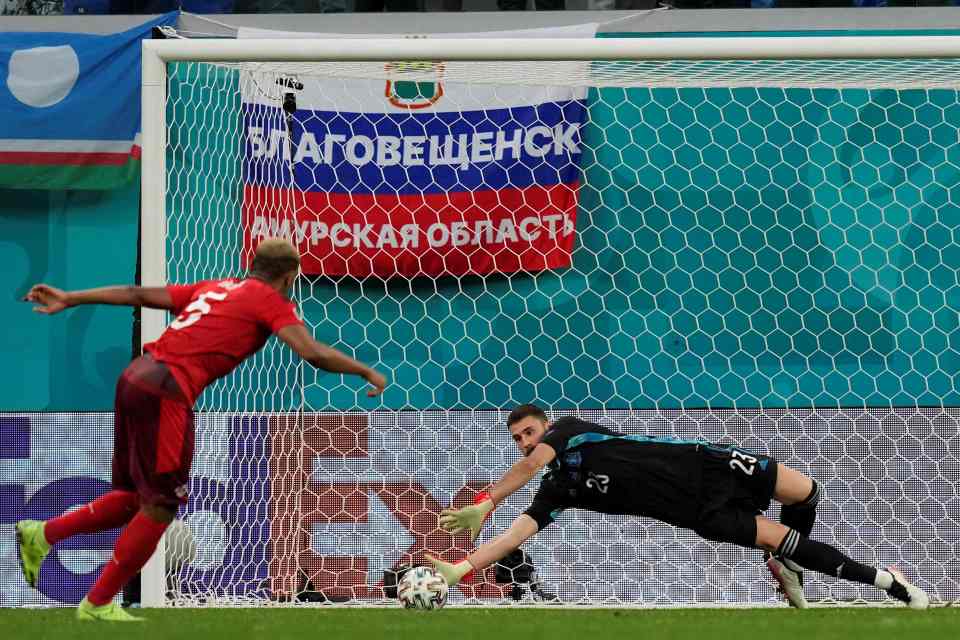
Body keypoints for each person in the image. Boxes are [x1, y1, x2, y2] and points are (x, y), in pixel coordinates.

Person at [15, 238, 387, 622]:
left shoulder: (216, 287)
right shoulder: (269, 300)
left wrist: (73, 297)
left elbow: (135, 293)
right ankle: (97, 604)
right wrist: (365, 370)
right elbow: (312, 352)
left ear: (253, 264)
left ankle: (42, 534)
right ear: (290, 276)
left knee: (132, 497)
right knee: (161, 504)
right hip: (166, 390)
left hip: (136, 378)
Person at [426, 403, 930, 610]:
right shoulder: (557, 491)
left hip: (706, 466)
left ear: (545, 426)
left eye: (527, 432)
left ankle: (787, 564)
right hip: (697, 514)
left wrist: (486, 500)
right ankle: (891, 584)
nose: (523, 442)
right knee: (782, 536)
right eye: (516, 438)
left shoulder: (568, 430)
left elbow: (531, 465)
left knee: (807, 493)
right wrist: (459, 569)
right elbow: (516, 536)